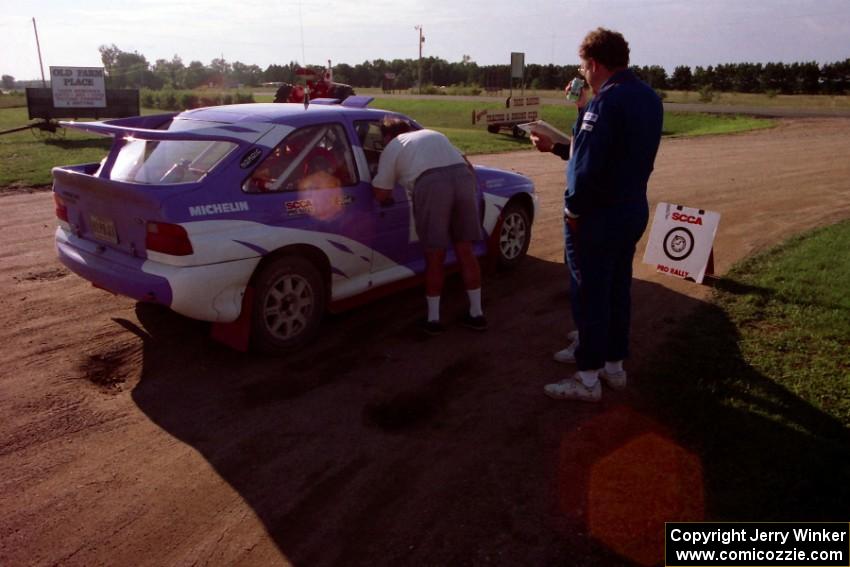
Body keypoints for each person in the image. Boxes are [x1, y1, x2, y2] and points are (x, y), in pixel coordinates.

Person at [532, 28, 663, 402]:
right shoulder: (648, 97)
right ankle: (613, 366)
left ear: (592, 64)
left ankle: (587, 376)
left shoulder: (604, 103)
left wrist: (573, 209)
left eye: (582, 66)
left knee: (590, 292)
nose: (582, 74)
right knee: (618, 289)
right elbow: (606, 154)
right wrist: (565, 137)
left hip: (597, 214)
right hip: (630, 207)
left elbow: (586, 170)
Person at [371, 118, 487, 335]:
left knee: (435, 254)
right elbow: (468, 166)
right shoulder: (433, 133)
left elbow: (381, 193)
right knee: (465, 249)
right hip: (463, 178)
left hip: (431, 184)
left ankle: (433, 320)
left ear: (388, 136)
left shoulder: (393, 146)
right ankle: (477, 314)